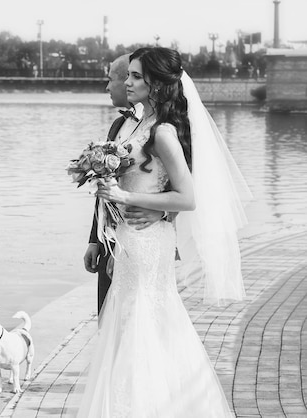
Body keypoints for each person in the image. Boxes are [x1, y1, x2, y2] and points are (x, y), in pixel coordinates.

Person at [76, 47, 251, 417]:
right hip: (125, 240)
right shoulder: (131, 125)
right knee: (126, 326)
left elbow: (188, 197)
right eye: (128, 75)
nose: (127, 82)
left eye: (135, 76)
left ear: (155, 83)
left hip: (147, 243)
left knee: (146, 324)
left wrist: (127, 195)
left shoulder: (164, 132)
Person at [83, 53, 164, 314]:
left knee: (133, 319)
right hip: (109, 238)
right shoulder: (120, 124)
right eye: (127, 76)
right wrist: (95, 239)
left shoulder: (160, 130)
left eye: (112, 79)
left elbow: (168, 185)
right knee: (106, 320)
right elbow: (106, 188)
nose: (108, 87)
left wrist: (163, 213)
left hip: (138, 235)